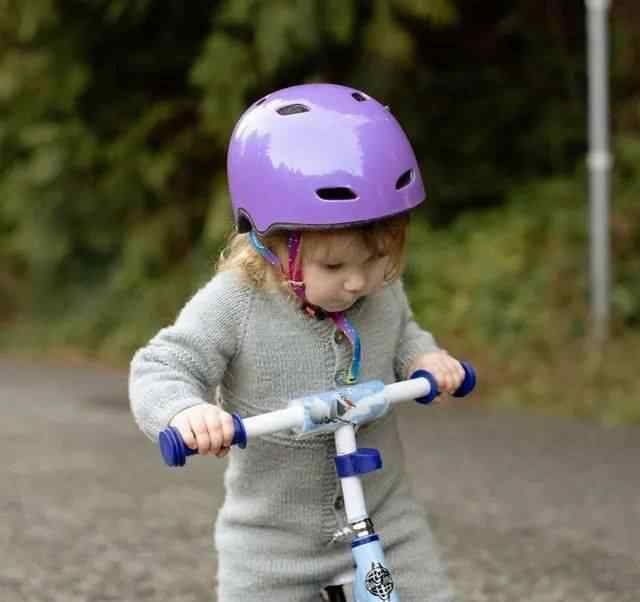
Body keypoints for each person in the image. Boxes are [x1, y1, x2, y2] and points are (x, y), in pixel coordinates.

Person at [129, 83, 463, 602]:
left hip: (388, 521)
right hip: (271, 545)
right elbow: (163, 364)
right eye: (335, 265)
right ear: (270, 242)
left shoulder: (380, 290)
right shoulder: (236, 303)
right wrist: (184, 411)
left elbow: (404, 334)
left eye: (378, 259)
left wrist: (425, 358)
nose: (359, 282)